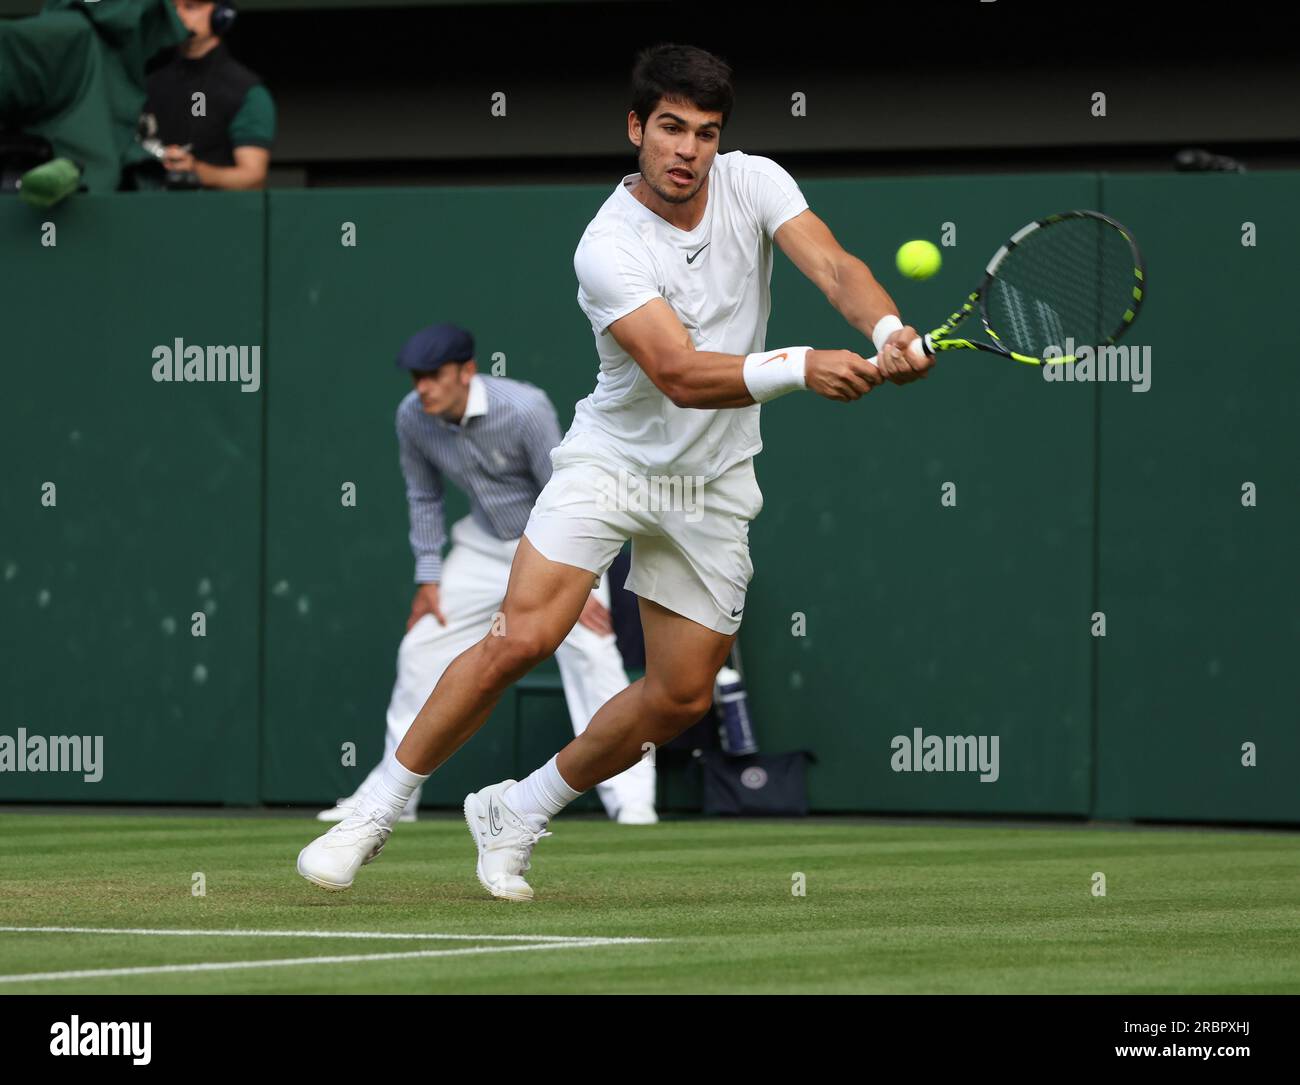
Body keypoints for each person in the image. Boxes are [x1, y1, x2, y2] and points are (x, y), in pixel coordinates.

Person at [298, 43, 933, 901]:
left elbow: (831, 263)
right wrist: (800, 365)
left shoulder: (755, 181)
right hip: (616, 463)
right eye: (670, 128)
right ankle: (376, 810)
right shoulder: (607, 244)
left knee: (679, 698)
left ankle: (519, 808)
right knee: (522, 637)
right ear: (637, 129)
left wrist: (886, 325)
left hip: (711, 483)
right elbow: (677, 371)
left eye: (705, 133)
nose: (688, 150)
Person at [313, 323, 655, 835]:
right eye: (416, 378)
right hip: (480, 545)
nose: (422, 388)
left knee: (592, 653)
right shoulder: (412, 418)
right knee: (421, 649)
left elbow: (565, 488)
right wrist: (428, 577)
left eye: (434, 376)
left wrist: (580, 576)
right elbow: (423, 496)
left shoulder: (523, 408)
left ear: (466, 371)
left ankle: (632, 802)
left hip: (557, 544)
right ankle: (389, 797)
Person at [142, 1, 274, 190]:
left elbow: (253, 176)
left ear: (220, 14)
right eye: (173, 8)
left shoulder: (246, 90)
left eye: (190, 7)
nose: (178, 15)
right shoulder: (150, 84)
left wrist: (195, 171)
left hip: (218, 212)